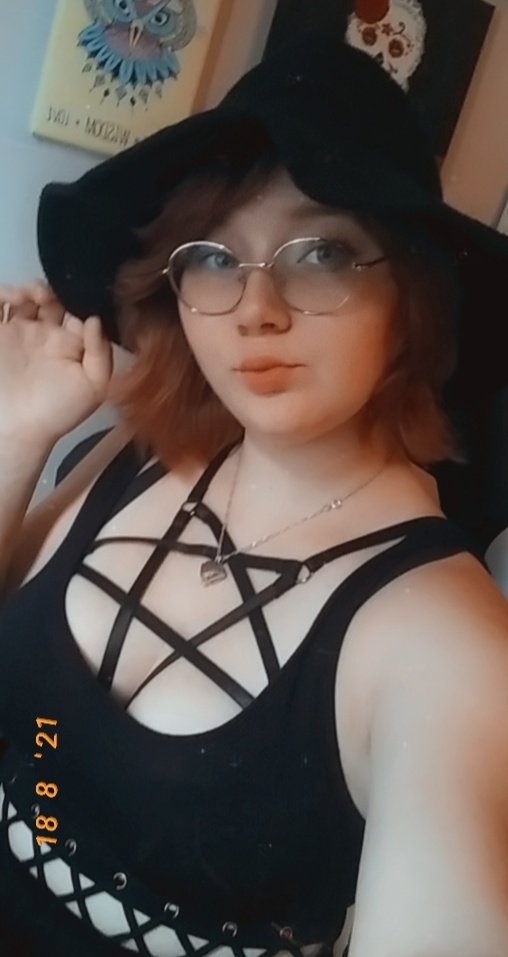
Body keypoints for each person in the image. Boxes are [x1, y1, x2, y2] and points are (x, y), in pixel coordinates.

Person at [0, 33, 508, 957]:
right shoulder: (135, 454)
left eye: (322, 253)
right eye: (214, 256)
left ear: (416, 296)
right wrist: (17, 435)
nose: (255, 308)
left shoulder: (447, 644)